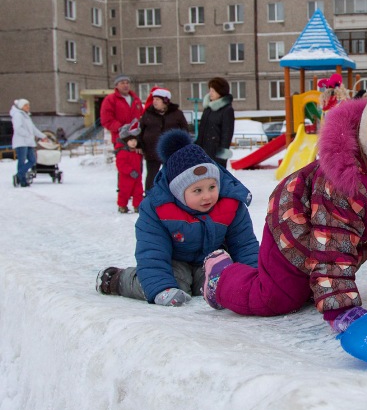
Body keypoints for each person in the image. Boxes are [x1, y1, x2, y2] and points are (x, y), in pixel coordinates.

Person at [200, 76, 367, 334]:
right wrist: (341, 308)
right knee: (276, 299)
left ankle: (314, 284)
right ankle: (220, 277)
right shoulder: (349, 181)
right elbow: (334, 248)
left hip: (335, 239)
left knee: (310, 289)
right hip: (294, 223)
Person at [96, 130, 260, 305]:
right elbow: (152, 252)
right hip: (172, 262)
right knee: (176, 283)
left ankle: (216, 286)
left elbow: (245, 244)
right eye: (197, 190)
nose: (207, 196)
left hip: (209, 261)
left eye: (212, 187)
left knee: (224, 278)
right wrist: (161, 287)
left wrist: (255, 277)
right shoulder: (158, 209)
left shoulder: (230, 205)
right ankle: (118, 280)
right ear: (178, 192)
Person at [139, 87, 190, 191]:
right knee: (152, 176)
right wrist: (140, 145)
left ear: (165, 100)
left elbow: (184, 131)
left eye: (157, 99)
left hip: (171, 152)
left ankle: (174, 196)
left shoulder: (177, 114)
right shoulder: (148, 113)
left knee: (173, 175)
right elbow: (141, 131)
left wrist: (183, 147)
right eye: (153, 99)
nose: (154, 102)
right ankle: (150, 198)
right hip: (151, 151)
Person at [196, 77, 235, 169]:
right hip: (203, 152)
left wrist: (221, 155)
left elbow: (227, 133)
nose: (210, 93)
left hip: (216, 154)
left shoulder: (227, 110)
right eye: (210, 90)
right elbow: (202, 130)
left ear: (220, 92)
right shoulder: (208, 109)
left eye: (213, 91)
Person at [10, 99, 48, 188]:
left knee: (32, 160)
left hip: (29, 142)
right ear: (21, 106)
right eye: (26, 105)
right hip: (21, 142)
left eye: (28, 105)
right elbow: (18, 128)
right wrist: (28, 135)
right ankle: (22, 181)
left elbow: (33, 129)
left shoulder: (26, 116)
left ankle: (19, 175)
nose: (28, 107)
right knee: (22, 161)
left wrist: (43, 136)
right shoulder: (18, 115)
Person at [100, 75, 144, 149]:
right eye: (122, 83)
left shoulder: (135, 99)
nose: (125, 85)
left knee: (137, 160)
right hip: (120, 139)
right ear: (116, 85)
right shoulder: (110, 100)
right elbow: (106, 120)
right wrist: (122, 128)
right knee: (123, 160)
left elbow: (141, 115)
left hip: (136, 139)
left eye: (127, 83)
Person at [115, 120, 144, 213]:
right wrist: (130, 171)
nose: (133, 142)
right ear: (126, 141)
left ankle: (138, 206)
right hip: (126, 178)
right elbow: (121, 165)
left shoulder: (136, 152)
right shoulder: (122, 153)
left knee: (138, 192)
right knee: (124, 192)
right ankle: (122, 206)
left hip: (137, 177)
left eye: (135, 140)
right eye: (131, 140)